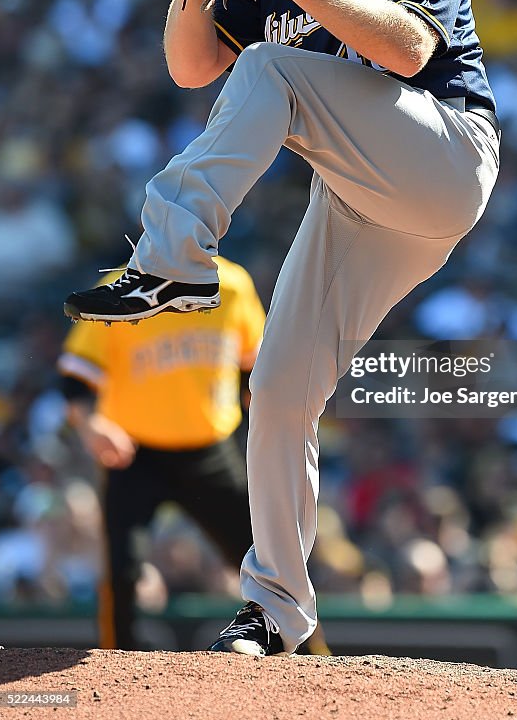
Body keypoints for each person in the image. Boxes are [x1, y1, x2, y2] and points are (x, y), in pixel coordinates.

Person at [64, 0, 501, 656]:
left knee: (270, 69)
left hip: (447, 155)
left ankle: (174, 261)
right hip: (362, 200)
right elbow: (190, 68)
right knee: (281, 388)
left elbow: (414, 49)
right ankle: (276, 609)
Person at [59, 255, 329, 653]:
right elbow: (76, 377)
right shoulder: (122, 292)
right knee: (122, 570)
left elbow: (254, 369)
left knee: (274, 562)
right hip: (135, 455)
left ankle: (313, 661)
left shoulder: (233, 284)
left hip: (210, 453)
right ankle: (114, 666)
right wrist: (88, 423)